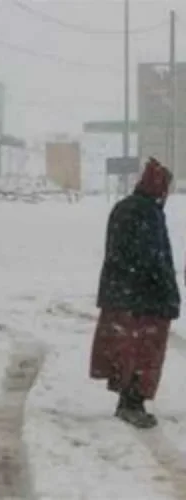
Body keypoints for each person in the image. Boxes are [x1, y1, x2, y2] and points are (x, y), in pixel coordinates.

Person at [90, 157, 180, 429]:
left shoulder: (125, 208)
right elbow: (152, 258)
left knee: (123, 350)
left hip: (121, 293)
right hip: (144, 299)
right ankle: (133, 403)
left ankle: (126, 400)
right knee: (143, 352)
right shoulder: (147, 213)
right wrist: (167, 290)